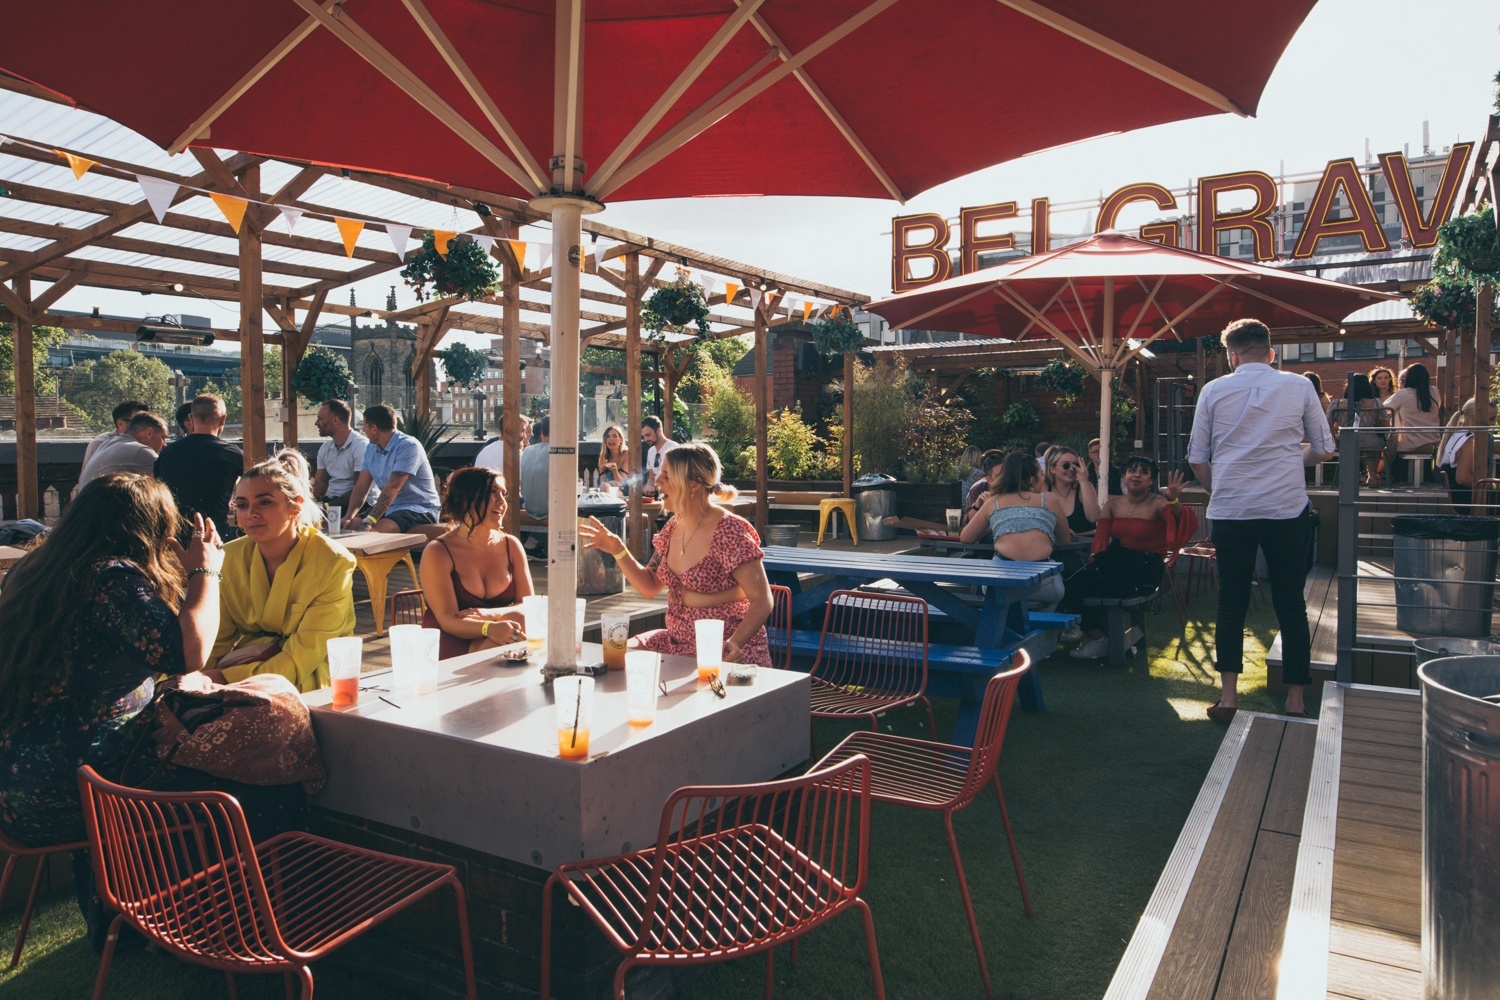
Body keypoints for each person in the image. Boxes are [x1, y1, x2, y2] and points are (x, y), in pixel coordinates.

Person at [0, 474, 223, 847]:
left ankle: (110, 901)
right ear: (149, 530)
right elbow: (188, 654)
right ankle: (191, 902)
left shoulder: (34, 569)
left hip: (19, 789)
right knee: (251, 781)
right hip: (86, 792)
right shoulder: (110, 579)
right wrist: (205, 572)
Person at [1188, 318, 1334, 722]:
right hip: (1286, 509)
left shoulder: (1212, 390)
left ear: (1231, 355)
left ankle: (1229, 698)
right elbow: (1324, 449)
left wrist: (1218, 489)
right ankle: (1296, 700)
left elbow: (1197, 457)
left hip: (1231, 510)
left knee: (1231, 602)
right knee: (1290, 603)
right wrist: (1293, 459)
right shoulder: (1300, 385)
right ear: (1271, 353)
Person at [579, 442, 773, 667]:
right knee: (614, 656)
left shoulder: (729, 530)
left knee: (641, 667)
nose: (658, 481)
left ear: (693, 485)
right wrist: (618, 549)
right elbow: (650, 585)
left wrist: (734, 642)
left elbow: (762, 599)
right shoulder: (672, 526)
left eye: (668, 476)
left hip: (721, 648)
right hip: (676, 641)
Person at [212, 460, 356, 691]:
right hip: (247, 662)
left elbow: (303, 654)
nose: (251, 514)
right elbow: (215, 640)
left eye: (265, 502)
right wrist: (189, 680)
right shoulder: (228, 557)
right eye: (241, 505)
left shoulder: (333, 562)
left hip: (315, 669)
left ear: (296, 507)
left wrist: (220, 680)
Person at [1062, 457, 1196, 659]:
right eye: (1132, 471)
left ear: (1151, 480)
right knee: (1070, 587)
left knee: (1099, 587)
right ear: (1123, 476)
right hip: (1115, 562)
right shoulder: (1112, 505)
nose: (1137, 475)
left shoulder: (1159, 503)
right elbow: (1100, 542)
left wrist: (1173, 500)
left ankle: (1111, 640)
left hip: (1146, 565)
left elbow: (1181, 522)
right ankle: (1099, 639)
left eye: (1143, 472)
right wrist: (1093, 562)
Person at [419, 467, 533, 659]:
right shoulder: (438, 552)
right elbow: (448, 620)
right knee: (505, 642)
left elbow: (528, 605)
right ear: (467, 499)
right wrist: (489, 628)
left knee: (520, 622)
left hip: (499, 634)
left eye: (503, 494)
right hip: (450, 639)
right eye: (492, 493)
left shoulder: (510, 545)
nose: (502, 502)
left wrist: (489, 615)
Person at [958, 450, 1071, 608]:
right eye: (1042, 475)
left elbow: (966, 537)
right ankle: (1048, 632)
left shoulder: (994, 501)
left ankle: (1005, 629)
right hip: (1042, 583)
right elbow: (1065, 541)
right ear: (1032, 480)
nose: (1044, 479)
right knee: (1055, 590)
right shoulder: (1049, 500)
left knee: (1000, 601)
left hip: (1001, 582)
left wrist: (999, 525)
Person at [341, 404, 442, 533]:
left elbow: (393, 488)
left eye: (364, 426)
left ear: (374, 428)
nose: (363, 430)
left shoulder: (409, 446)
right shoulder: (370, 448)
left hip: (419, 509)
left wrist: (369, 521)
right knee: (350, 527)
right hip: (391, 508)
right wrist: (349, 517)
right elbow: (361, 486)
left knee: (376, 531)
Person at [154, 393, 245, 533]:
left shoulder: (167, 453)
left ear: (190, 418)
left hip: (173, 534)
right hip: (216, 533)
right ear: (222, 419)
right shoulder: (233, 455)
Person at [1382, 363, 1442, 482]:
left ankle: (1381, 474)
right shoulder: (1434, 391)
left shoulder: (1403, 394)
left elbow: (1384, 409)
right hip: (1432, 440)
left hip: (1408, 442)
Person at [77, 412, 167, 487]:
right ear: (149, 432)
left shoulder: (109, 443)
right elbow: (168, 480)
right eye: (163, 438)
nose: (165, 444)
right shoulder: (141, 451)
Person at [312, 399, 369, 516]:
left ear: (336, 420)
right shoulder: (325, 448)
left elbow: (360, 490)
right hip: (331, 502)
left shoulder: (361, 446)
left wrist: (327, 508)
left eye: (320, 418)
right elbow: (319, 485)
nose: (316, 423)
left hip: (359, 506)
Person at [1042, 444, 1099, 536]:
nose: (1072, 469)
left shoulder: (1085, 487)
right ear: (1052, 469)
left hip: (1084, 547)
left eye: (1075, 465)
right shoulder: (1044, 488)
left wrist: (1084, 482)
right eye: (1066, 465)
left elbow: (1094, 517)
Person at [1437, 398, 1477, 515]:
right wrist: (1491, 487)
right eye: (1491, 419)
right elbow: (1462, 478)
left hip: (1458, 496)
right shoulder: (1469, 440)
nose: (1494, 423)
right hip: (1467, 499)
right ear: (1475, 416)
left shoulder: (1456, 434)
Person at [81, 400, 149, 467]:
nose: (146, 427)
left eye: (147, 422)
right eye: (139, 422)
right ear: (121, 424)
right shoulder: (100, 443)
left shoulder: (148, 442)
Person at [961, 448, 1008, 526]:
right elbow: (966, 525)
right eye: (999, 475)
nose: (1004, 478)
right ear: (989, 479)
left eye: (1006, 473)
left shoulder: (1016, 489)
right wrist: (977, 506)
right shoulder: (979, 489)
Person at [519, 415, 551, 518]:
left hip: (527, 510)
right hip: (549, 514)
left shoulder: (527, 450)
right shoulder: (558, 452)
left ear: (542, 432)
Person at [642, 415, 676, 496]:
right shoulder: (651, 451)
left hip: (671, 494)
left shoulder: (673, 448)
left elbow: (676, 478)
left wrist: (656, 488)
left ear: (659, 431)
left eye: (648, 435)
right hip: (657, 495)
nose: (646, 439)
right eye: (643, 436)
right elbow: (651, 477)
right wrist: (648, 486)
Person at [597, 424, 629, 489]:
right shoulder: (603, 456)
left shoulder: (626, 455)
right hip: (606, 492)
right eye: (608, 436)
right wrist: (608, 484)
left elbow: (621, 484)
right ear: (605, 441)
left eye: (614, 436)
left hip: (624, 493)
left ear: (621, 440)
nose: (611, 439)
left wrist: (615, 471)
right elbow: (602, 484)